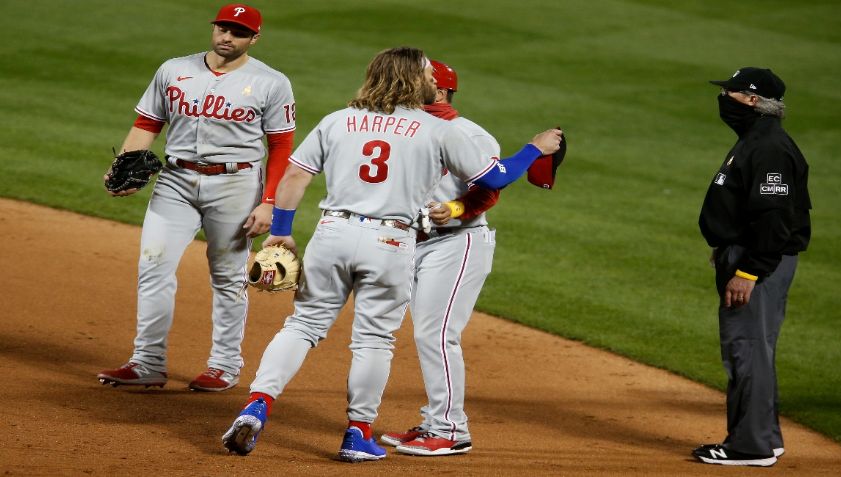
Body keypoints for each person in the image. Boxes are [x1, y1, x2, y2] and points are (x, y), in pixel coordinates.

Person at [221, 46, 561, 462]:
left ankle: (257, 404)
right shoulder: (436, 130)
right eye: (427, 74)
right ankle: (357, 434)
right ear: (415, 80)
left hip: (332, 233)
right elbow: (497, 177)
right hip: (390, 242)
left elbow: (295, 175)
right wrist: (533, 148)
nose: (433, 80)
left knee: (302, 325)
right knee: (374, 340)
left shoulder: (338, 120)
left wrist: (282, 234)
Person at [97, 3, 297, 392]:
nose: (227, 37)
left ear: (254, 38)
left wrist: (269, 201)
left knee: (227, 276)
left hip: (236, 185)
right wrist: (123, 163)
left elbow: (281, 145)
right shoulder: (174, 69)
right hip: (176, 180)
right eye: (223, 28)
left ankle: (224, 365)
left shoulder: (272, 82)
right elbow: (147, 122)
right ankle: (148, 362)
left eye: (238, 32)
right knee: (153, 267)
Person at [379, 60, 501, 456]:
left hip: (457, 242)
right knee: (425, 333)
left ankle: (451, 430)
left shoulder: (468, 134)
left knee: (437, 334)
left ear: (440, 91)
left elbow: (489, 190)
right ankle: (435, 420)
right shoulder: (405, 127)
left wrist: (456, 209)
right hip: (412, 243)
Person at [693, 67, 811, 467]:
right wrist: (727, 244)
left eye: (731, 92)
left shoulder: (769, 148)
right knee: (753, 350)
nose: (724, 97)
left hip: (756, 264)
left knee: (747, 350)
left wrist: (749, 270)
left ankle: (751, 446)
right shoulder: (755, 141)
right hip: (744, 254)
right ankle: (765, 437)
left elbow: (775, 217)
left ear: (752, 100)